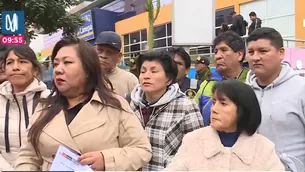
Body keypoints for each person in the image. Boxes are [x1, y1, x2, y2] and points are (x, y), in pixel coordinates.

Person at [14, 38, 152, 171]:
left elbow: (142, 150)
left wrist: (106, 160)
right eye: (56, 64)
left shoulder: (114, 105)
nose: (58, 69)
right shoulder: (44, 107)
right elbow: (28, 157)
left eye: (67, 62)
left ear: (88, 69)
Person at [164, 80, 285, 171]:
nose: (214, 109)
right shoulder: (193, 141)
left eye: (223, 103)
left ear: (243, 109)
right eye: (213, 102)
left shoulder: (263, 148)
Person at [129, 50, 204, 171]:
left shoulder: (186, 107)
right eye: (143, 71)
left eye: (154, 71)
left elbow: (197, 152)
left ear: (169, 79)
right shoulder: (131, 104)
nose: (146, 76)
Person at [246, 27, 305, 172]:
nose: (255, 57)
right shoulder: (244, 92)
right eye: (251, 52)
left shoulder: (301, 89)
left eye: (263, 51)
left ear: (281, 53)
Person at [0, 45, 50, 170]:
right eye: (10, 62)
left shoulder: (49, 101)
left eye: (23, 62)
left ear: (35, 70)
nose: (15, 67)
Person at [194, 31, 249, 126]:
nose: (217, 56)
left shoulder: (251, 82)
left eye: (224, 50)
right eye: (216, 52)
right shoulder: (207, 84)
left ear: (239, 55)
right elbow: (194, 116)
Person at [95, 31, 139, 96]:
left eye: (109, 52)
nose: (103, 55)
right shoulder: (85, 77)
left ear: (119, 57)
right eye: (99, 50)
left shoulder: (130, 80)